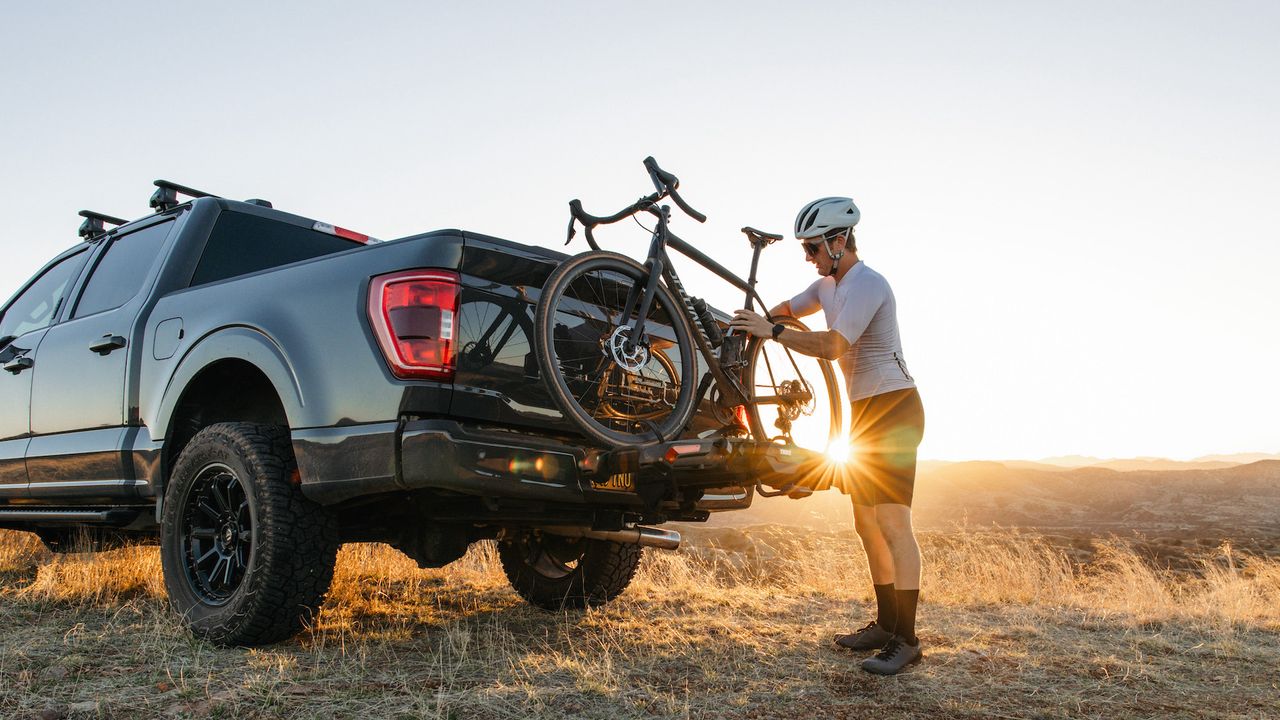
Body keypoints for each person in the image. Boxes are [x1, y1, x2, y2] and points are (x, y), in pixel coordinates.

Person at [728, 197, 926, 676]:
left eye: (814, 247)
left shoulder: (868, 285)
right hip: (865, 413)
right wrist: (745, 326)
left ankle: (908, 639)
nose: (809, 256)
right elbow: (787, 309)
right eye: (804, 249)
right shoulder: (827, 284)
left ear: (840, 241)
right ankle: (883, 624)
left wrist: (771, 331)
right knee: (865, 522)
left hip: (895, 408)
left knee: (894, 523)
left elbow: (832, 346)